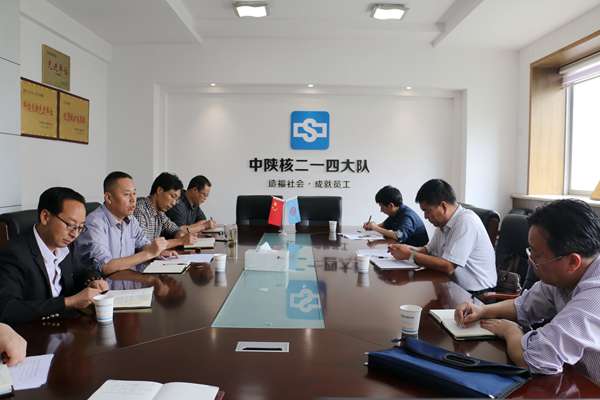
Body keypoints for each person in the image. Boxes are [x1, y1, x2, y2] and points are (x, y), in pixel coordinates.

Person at [455, 199, 600, 384]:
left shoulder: (595, 297)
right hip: (575, 378)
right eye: (530, 251)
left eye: (537, 255)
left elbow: (535, 359)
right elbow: (524, 305)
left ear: (573, 262)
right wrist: (482, 310)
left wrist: (511, 331)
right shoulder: (564, 275)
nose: (531, 261)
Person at [0, 187, 108, 324]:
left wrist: (93, 281)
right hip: (34, 331)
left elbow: (81, 271)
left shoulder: (67, 245)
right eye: (70, 225)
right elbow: (7, 309)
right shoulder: (14, 254)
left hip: (66, 326)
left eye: (80, 227)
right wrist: (69, 302)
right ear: (45, 217)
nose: (75, 234)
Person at [388, 179, 496, 292]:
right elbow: (428, 250)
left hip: (477, 294)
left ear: (443, 206)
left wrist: (410, 255)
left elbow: (448, 266)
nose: (425, 216)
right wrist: (406, 248)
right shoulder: (443, 223)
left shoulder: (466, 221)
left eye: (427, 211)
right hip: (450, 285)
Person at [77, 171, 174, 276]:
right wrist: (149, 253)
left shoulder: (131, 219)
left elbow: (143, 243)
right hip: (109, 284)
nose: (133, 200)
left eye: (134, 193)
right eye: (126, 194)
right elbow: (105, 266)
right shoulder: (94, 223)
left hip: (130, 278)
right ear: (108, 198)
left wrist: (157, 251)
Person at [133, 172, 196, 245]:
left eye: (176, 200)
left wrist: (181, 235)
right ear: (159, 190)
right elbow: (144, 246)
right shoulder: (140, 210)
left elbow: (176, 230)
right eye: (172, 196)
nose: (174, 203)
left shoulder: (160, 213)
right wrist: (180, 241)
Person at [362, 185, 428, 246]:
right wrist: (371, 226)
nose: (381, 210)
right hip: (403, 248)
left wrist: (375, 228)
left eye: (381, 207)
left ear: (391, 205)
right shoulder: (396, 212)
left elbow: (398, 236)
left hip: (416, 251)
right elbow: (384, 225)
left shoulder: (407, 217)